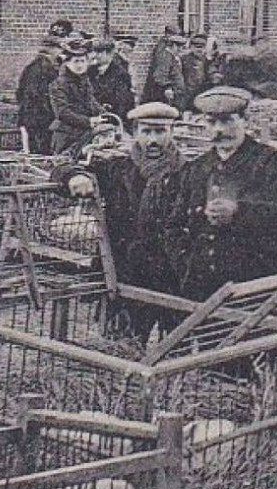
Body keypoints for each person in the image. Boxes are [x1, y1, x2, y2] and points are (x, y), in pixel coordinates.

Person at [60, 101, 187, 342]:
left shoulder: (188, 172)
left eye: (160, 132)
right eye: (146, 131)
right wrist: (74, 176)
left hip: (170, 276)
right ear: (135, 132)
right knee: (121, 346)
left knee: (173, 350)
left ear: (172, 132)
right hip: (125, 272)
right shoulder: (117, 167)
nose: (152, 140)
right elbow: (63, 164)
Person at [165, 86, 277, 301]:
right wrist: (186, 264)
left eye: (227, 121)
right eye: (212, 122)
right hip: (203, 291)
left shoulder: (270, 162)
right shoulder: (197, 169)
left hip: (256, 289)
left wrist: (240, 212)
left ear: (246, 121)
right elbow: (173, 226)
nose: (219, 130)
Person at [49, 37, 105, 157]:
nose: (80, 65)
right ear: (68, 63)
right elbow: (62, 112)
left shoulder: (85, 81)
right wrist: (89, 121)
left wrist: (103, 113)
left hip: (84, 135)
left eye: (82, 61)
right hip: (66, 137)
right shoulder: (59, 84)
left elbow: (90, 101)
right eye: (76, 61)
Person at [15, 37, 60, 154]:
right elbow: (37, 95)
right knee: (41, 151)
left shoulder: (31, 68)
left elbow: (20, 93)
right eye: (58, 49)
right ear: (52, 50)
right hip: (40, 118)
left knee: (35, 149)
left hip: (32, 117)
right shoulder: (45, 69)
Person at [89, 37, 136, 121]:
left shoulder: (120, 74)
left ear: (109, 54)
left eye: (100, 52)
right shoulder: (90, 71)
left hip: (113, 118)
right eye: (94, 51)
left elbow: (122, 103)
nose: (95, 55)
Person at [142, 27, 188, 109]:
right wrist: (167, 88)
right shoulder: (165, 57)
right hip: (163, 98)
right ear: (173, 45)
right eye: (180, 47)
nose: (181, 50)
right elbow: (159, 76)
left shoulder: (172, 57)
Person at [180, 33, 213, 106]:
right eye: (196, 47)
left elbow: (209, 76)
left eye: (201, 47)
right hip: (187, 93)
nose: (199, 49)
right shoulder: (184, 60)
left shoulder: (207, 61)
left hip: (201, 93)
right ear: (191, 47)